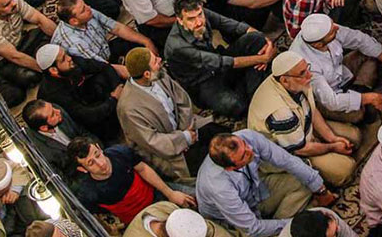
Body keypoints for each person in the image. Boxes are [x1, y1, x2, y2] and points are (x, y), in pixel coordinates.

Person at [247, 51, 361, 188]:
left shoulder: (295, 81)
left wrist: (332, 138)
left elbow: (312, 110)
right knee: (346, 170)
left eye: (307, 68)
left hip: (302, 131)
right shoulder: (279, 113)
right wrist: (332, 147)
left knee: (355, 137)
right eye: (302, 73)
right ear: (284, 80)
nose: (309, 75)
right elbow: (300, 150)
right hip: (291, 152)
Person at [196, 130, 336, 237]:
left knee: (303, 182)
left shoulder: (247, 136)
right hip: (233, 221)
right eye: (243, 155)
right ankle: (283, 227)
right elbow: (252, 228)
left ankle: (277, 224)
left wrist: (321, 190)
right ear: (230, 168)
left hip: (255, 192)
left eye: (244, 145)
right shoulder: (218, 187)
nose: (249, 150)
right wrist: (295, 225)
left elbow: (287, 161)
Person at [117, 47, 220, 182]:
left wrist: (186, 130)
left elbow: (182, 101)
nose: (160, 60)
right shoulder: (129, 108)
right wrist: (184, 139)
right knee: (215, 159)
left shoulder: (159, 74)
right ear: (147, 74)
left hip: (188, 128)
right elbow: (152, 141)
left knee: (220, 134)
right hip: (168, 153)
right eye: (155, 61)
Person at [163, 0, 274, 118]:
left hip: (219, 64)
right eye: (191, 19)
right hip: (203, 82)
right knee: (235, 106)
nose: (199, 22)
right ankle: (253, 86)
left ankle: (255, 92)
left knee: (256, 38)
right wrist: (263, 58)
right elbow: (224, 62)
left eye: (200, 15)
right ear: (179, 20)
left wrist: (266, 41)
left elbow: (234, 26)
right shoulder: (177, 46)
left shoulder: (203, 13)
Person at [69, 137, 196, 224]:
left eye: (98, 154)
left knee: (197, 196)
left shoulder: (120, 153)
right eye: (91, 163)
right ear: (82, 169)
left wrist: (170, 193)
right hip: (139, 219)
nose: (101, 164)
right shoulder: (86, 193)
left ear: (99, 147)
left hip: (157, 192)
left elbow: (143, 169)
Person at [289, 13, 382, 124]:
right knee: (363, 116)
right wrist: (368, 98)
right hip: (326, 96)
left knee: (374, 53)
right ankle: (361, 94)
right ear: (318, 44)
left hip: (342, 73)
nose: (337, 28)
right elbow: (331, 102)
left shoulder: (328, 29)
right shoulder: (306, 67)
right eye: (332, 31)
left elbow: (359, 39)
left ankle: (358, 90)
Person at [0, 0, 56, 105]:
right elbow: (14, 56)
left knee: (47, 34)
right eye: (7, 4)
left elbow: (39, 18)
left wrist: (61, 38)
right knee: (31, 76)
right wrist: (45, 70)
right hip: (4, 60)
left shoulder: (14, 1)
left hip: (20, 41)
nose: (14, 3)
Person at [34, 43, 122, 142]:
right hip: (80, 118)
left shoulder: (71, 62)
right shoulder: (54, 94)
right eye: (63, 59)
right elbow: (86, 115)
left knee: (101, 79)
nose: (69, 58)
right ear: (54, 70)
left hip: (85, 98)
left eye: (66, 54)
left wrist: (118, 88)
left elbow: (103, 67)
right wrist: (113, 99)